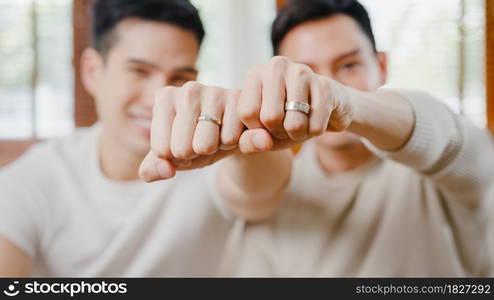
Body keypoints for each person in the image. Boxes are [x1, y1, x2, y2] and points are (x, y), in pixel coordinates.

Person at [141, 0, 494, 277]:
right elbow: (251, 193)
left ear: (381, 66)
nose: (322, 88)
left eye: (349, 66)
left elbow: (446, 136)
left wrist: (349, 104)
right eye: (305, 73)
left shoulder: (444, 171)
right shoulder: (281, 183)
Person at [0, 0, 234, 277]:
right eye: (139, 71)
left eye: (180, 77)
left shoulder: (215, 162)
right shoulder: (34, 180)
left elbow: (258, 190)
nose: (158, 98)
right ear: (93, 71)